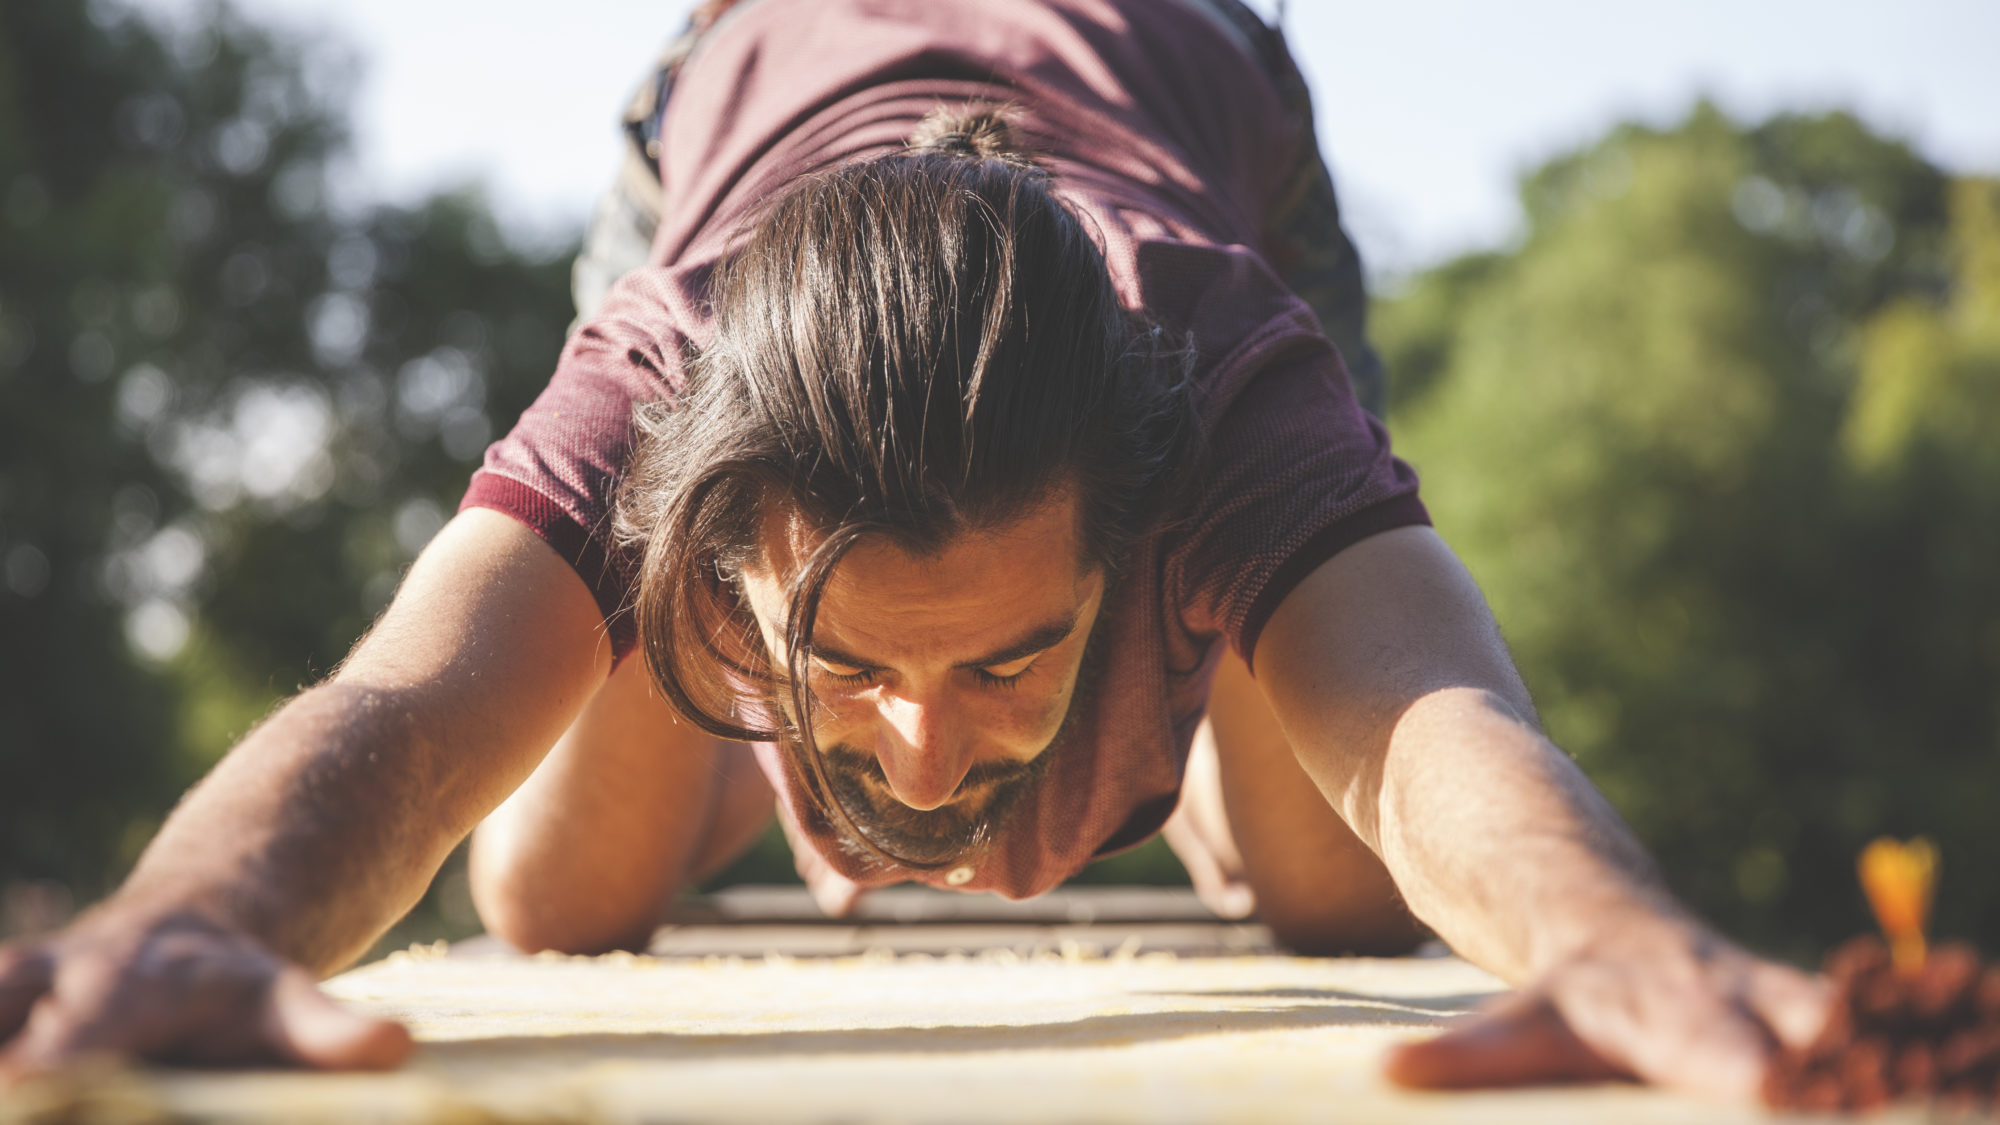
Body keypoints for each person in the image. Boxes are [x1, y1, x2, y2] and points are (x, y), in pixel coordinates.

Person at [0, 0, 1825, 1100]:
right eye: (845, 662)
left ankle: (1187, 659)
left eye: (1009, 656)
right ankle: (878, 628)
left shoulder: (1219, 355)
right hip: (751, 85)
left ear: (1143, 531)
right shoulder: (659, 365)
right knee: (554, 896)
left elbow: (1435, 715)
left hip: (1185, 97)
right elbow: (407, 709)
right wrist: (186, 921)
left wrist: (1604, 937)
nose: (925, 760)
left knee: (1344, 878)